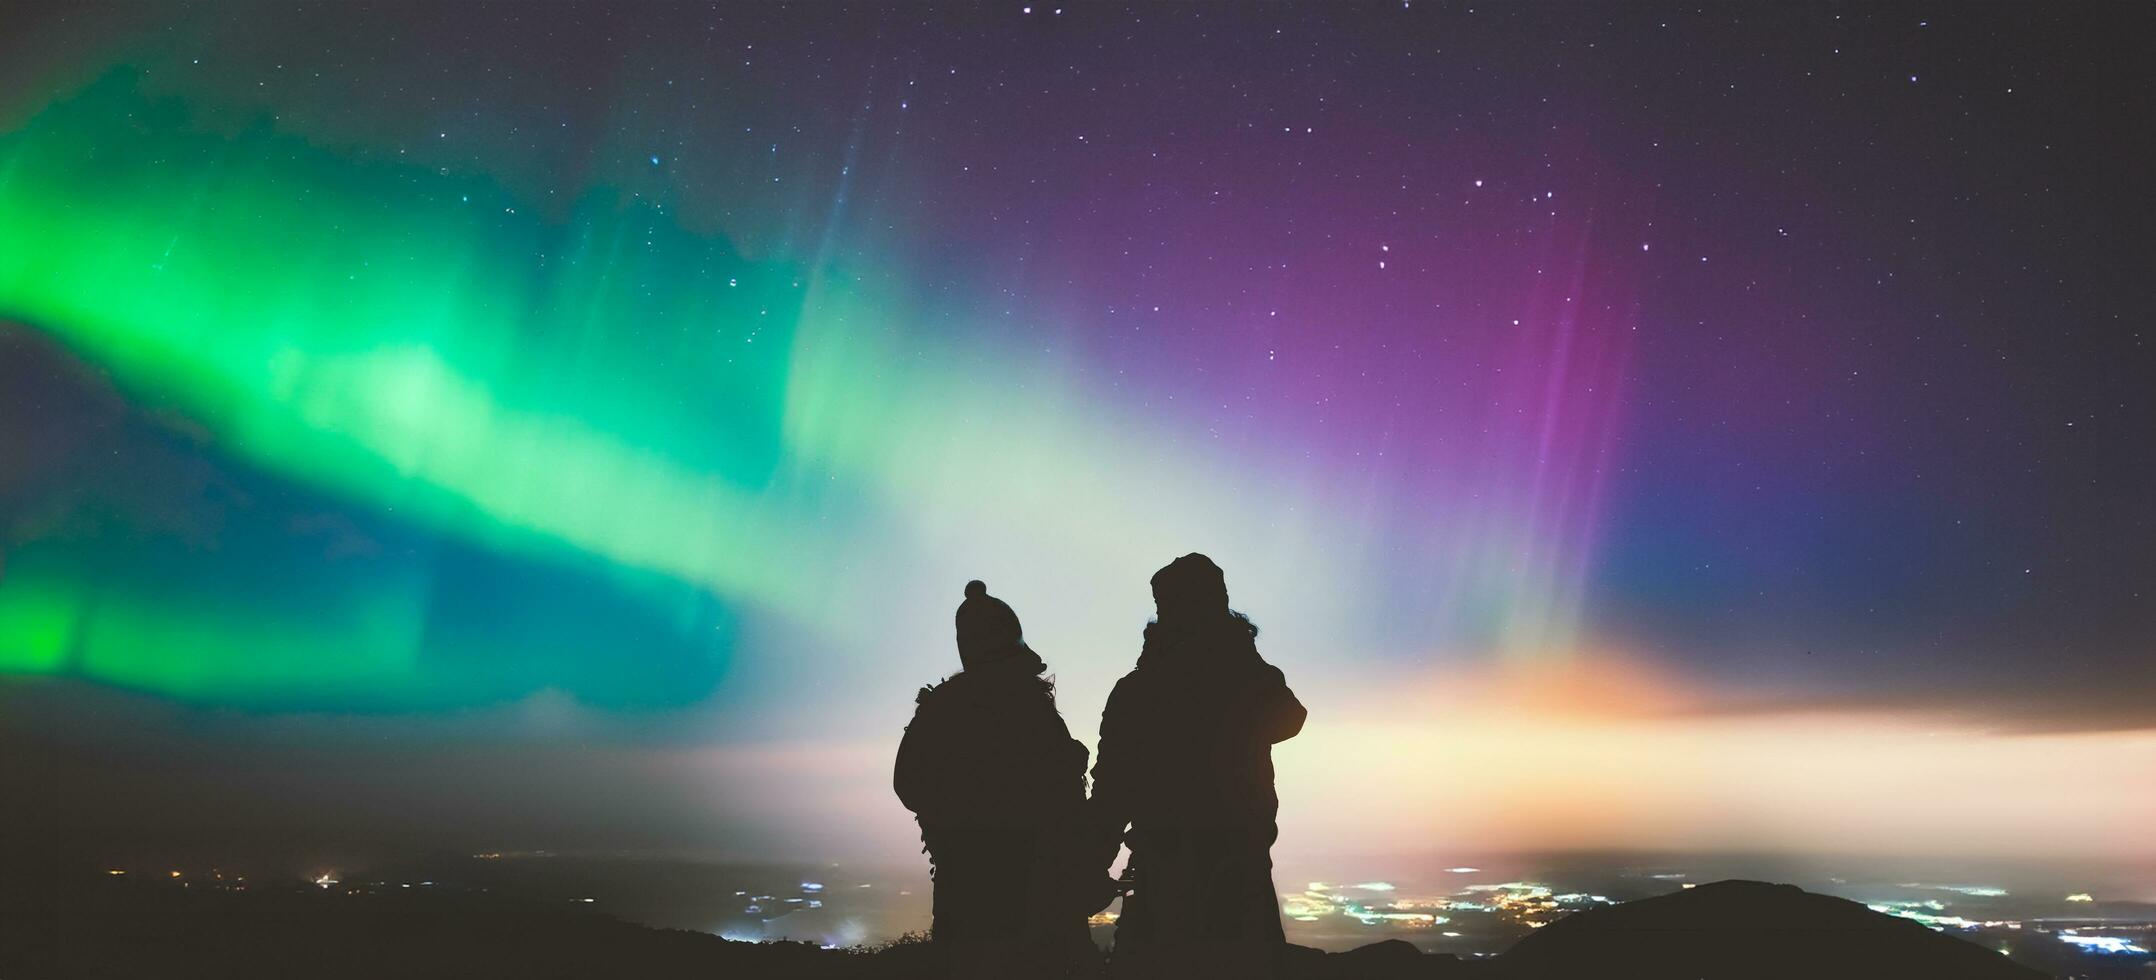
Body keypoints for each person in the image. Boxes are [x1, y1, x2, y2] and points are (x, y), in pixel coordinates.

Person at [1090, 554, 1306, 979]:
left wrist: (1094, 857)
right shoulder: (1244, 680)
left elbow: (1112, 788)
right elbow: (1289, 717)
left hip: (1167, 870)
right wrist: (1239, 654)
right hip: (1237, 863)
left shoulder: (1139, 690)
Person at [895, 580, 1110, 978]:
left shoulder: (941, 709)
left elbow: (908, 784)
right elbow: (1060, 797)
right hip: (1035, 892)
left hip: (964, 890)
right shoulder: (1031, 708)